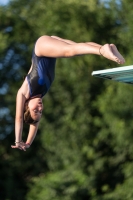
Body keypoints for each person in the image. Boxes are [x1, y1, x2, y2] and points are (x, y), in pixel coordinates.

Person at [11, 35, 125, 151]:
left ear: (26, 106)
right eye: (40, 111)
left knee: (70, 51)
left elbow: (19, 118)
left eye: (35, 110)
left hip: (41, 48)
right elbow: (35, 123)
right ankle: (109, 48)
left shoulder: (23, 92)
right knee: (78, 49)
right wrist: (28, 143)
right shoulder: (41, 94)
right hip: (50, 47)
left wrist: (18, 140)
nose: (40, 108)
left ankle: (102, 50)